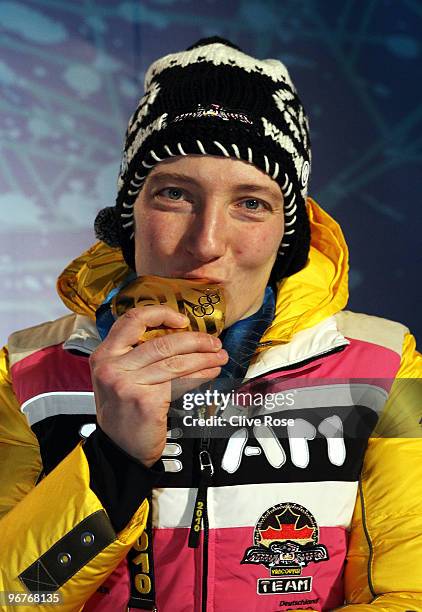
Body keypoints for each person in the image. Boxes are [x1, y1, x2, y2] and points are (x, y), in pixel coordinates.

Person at [0, 36, 421, 612]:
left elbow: (411, 593)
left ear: (287, 234)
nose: (206, 243)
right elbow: (16, 598)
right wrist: (113, 461)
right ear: (130, 218)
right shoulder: (25, 372)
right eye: (175, 194)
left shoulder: (385, 365)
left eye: (251, 203)